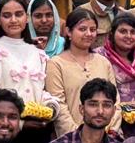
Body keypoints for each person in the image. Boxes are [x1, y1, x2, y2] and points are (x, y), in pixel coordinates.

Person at [0, 0, 58, 143]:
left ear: (27, 18)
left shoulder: (38, 52)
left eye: (18, 14)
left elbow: (41, 90)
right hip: (4, 130)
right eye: (7, 15)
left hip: (38, 130)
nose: (13, 20)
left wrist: (50, 108)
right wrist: (20, 122)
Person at [45, 8, 121, 136]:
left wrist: (109, 132)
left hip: (107, 138)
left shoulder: (103, 62)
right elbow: (60, 106)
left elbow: (115, 101)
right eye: (82, 29)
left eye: (92, 29)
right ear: (68, 31)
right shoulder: (56, 64)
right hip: (71, 139)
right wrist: (79, 137)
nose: (89, 34)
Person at [100, 12, 135, 130]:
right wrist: (126, 106)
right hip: (109, 119)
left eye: (133, 32)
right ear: (112, 34)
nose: (128, 36)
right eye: (123, 31)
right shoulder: (100, 57)